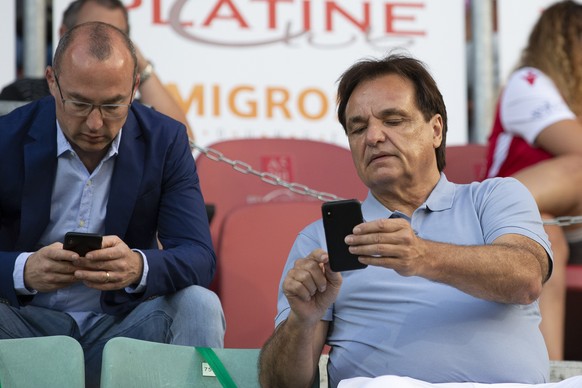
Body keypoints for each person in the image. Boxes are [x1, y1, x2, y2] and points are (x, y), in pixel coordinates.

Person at [259, 54, 552, 387]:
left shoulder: (494, 197)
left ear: (436, 130)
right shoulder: (321, 240)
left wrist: (422, 256)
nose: (373, 137)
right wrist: (302, 321)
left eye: (393, 120)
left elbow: (527, 279)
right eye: (358, 127)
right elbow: (280, 385)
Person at [0, 21, 223, 388]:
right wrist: (23, 271)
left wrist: (138, 266)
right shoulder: (8, 137)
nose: (94, 122)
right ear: (52, 81)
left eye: (113, 106)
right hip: (25, 321)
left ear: (135, 88)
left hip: (122, 322)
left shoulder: (164, 141)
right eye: (80, 103)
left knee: (199, 304)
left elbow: (199, 256)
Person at [483, 0, 582, 360]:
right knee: (547, 232)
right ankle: (551, 372)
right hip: (509, 217)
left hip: (571, 221)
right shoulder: (529, 82)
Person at [0, 0, 194, 141]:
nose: (102, 43)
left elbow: (182, 144)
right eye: (78, 102)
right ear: (63, 34)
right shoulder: (25, 92)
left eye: (116, 34)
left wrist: (138, 65)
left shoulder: (129, 103)